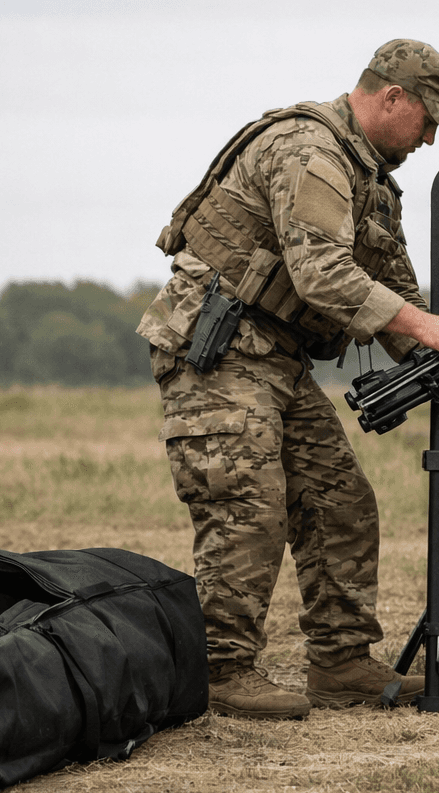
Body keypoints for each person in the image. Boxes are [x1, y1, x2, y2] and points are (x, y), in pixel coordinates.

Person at [137, 39, 439, 720]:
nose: (430, 139)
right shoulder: (309, 149)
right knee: (249, 500)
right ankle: (223, 667)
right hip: (218, 347)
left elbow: (396, 302)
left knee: (341, 500)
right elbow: (323, 275)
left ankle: (341, 661)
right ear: (392, 98)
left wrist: (423, 338)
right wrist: (427, 329)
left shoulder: (369, 180)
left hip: (275, 355)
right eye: (429, 120)